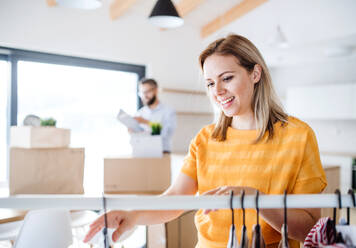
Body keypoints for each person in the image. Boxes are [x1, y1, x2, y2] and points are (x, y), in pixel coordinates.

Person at [84, 34, 327, 248]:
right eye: (210, 83)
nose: (217, 91)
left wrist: (257, 200)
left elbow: (309, 229)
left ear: (255, 73)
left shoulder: (298, 136)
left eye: (227, 78)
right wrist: (133, 216)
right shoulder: (205, 139)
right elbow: (177, 197)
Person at [132, 78, 176, 153]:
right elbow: (138, 136)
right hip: (142, 151)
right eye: (142, 93)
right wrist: (132, 131)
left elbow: (165, 134)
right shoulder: (140, 113)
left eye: (147, 92)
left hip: (162, 152)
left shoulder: (168, 111)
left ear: (155, 90)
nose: (144, 96)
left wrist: (147, 122)